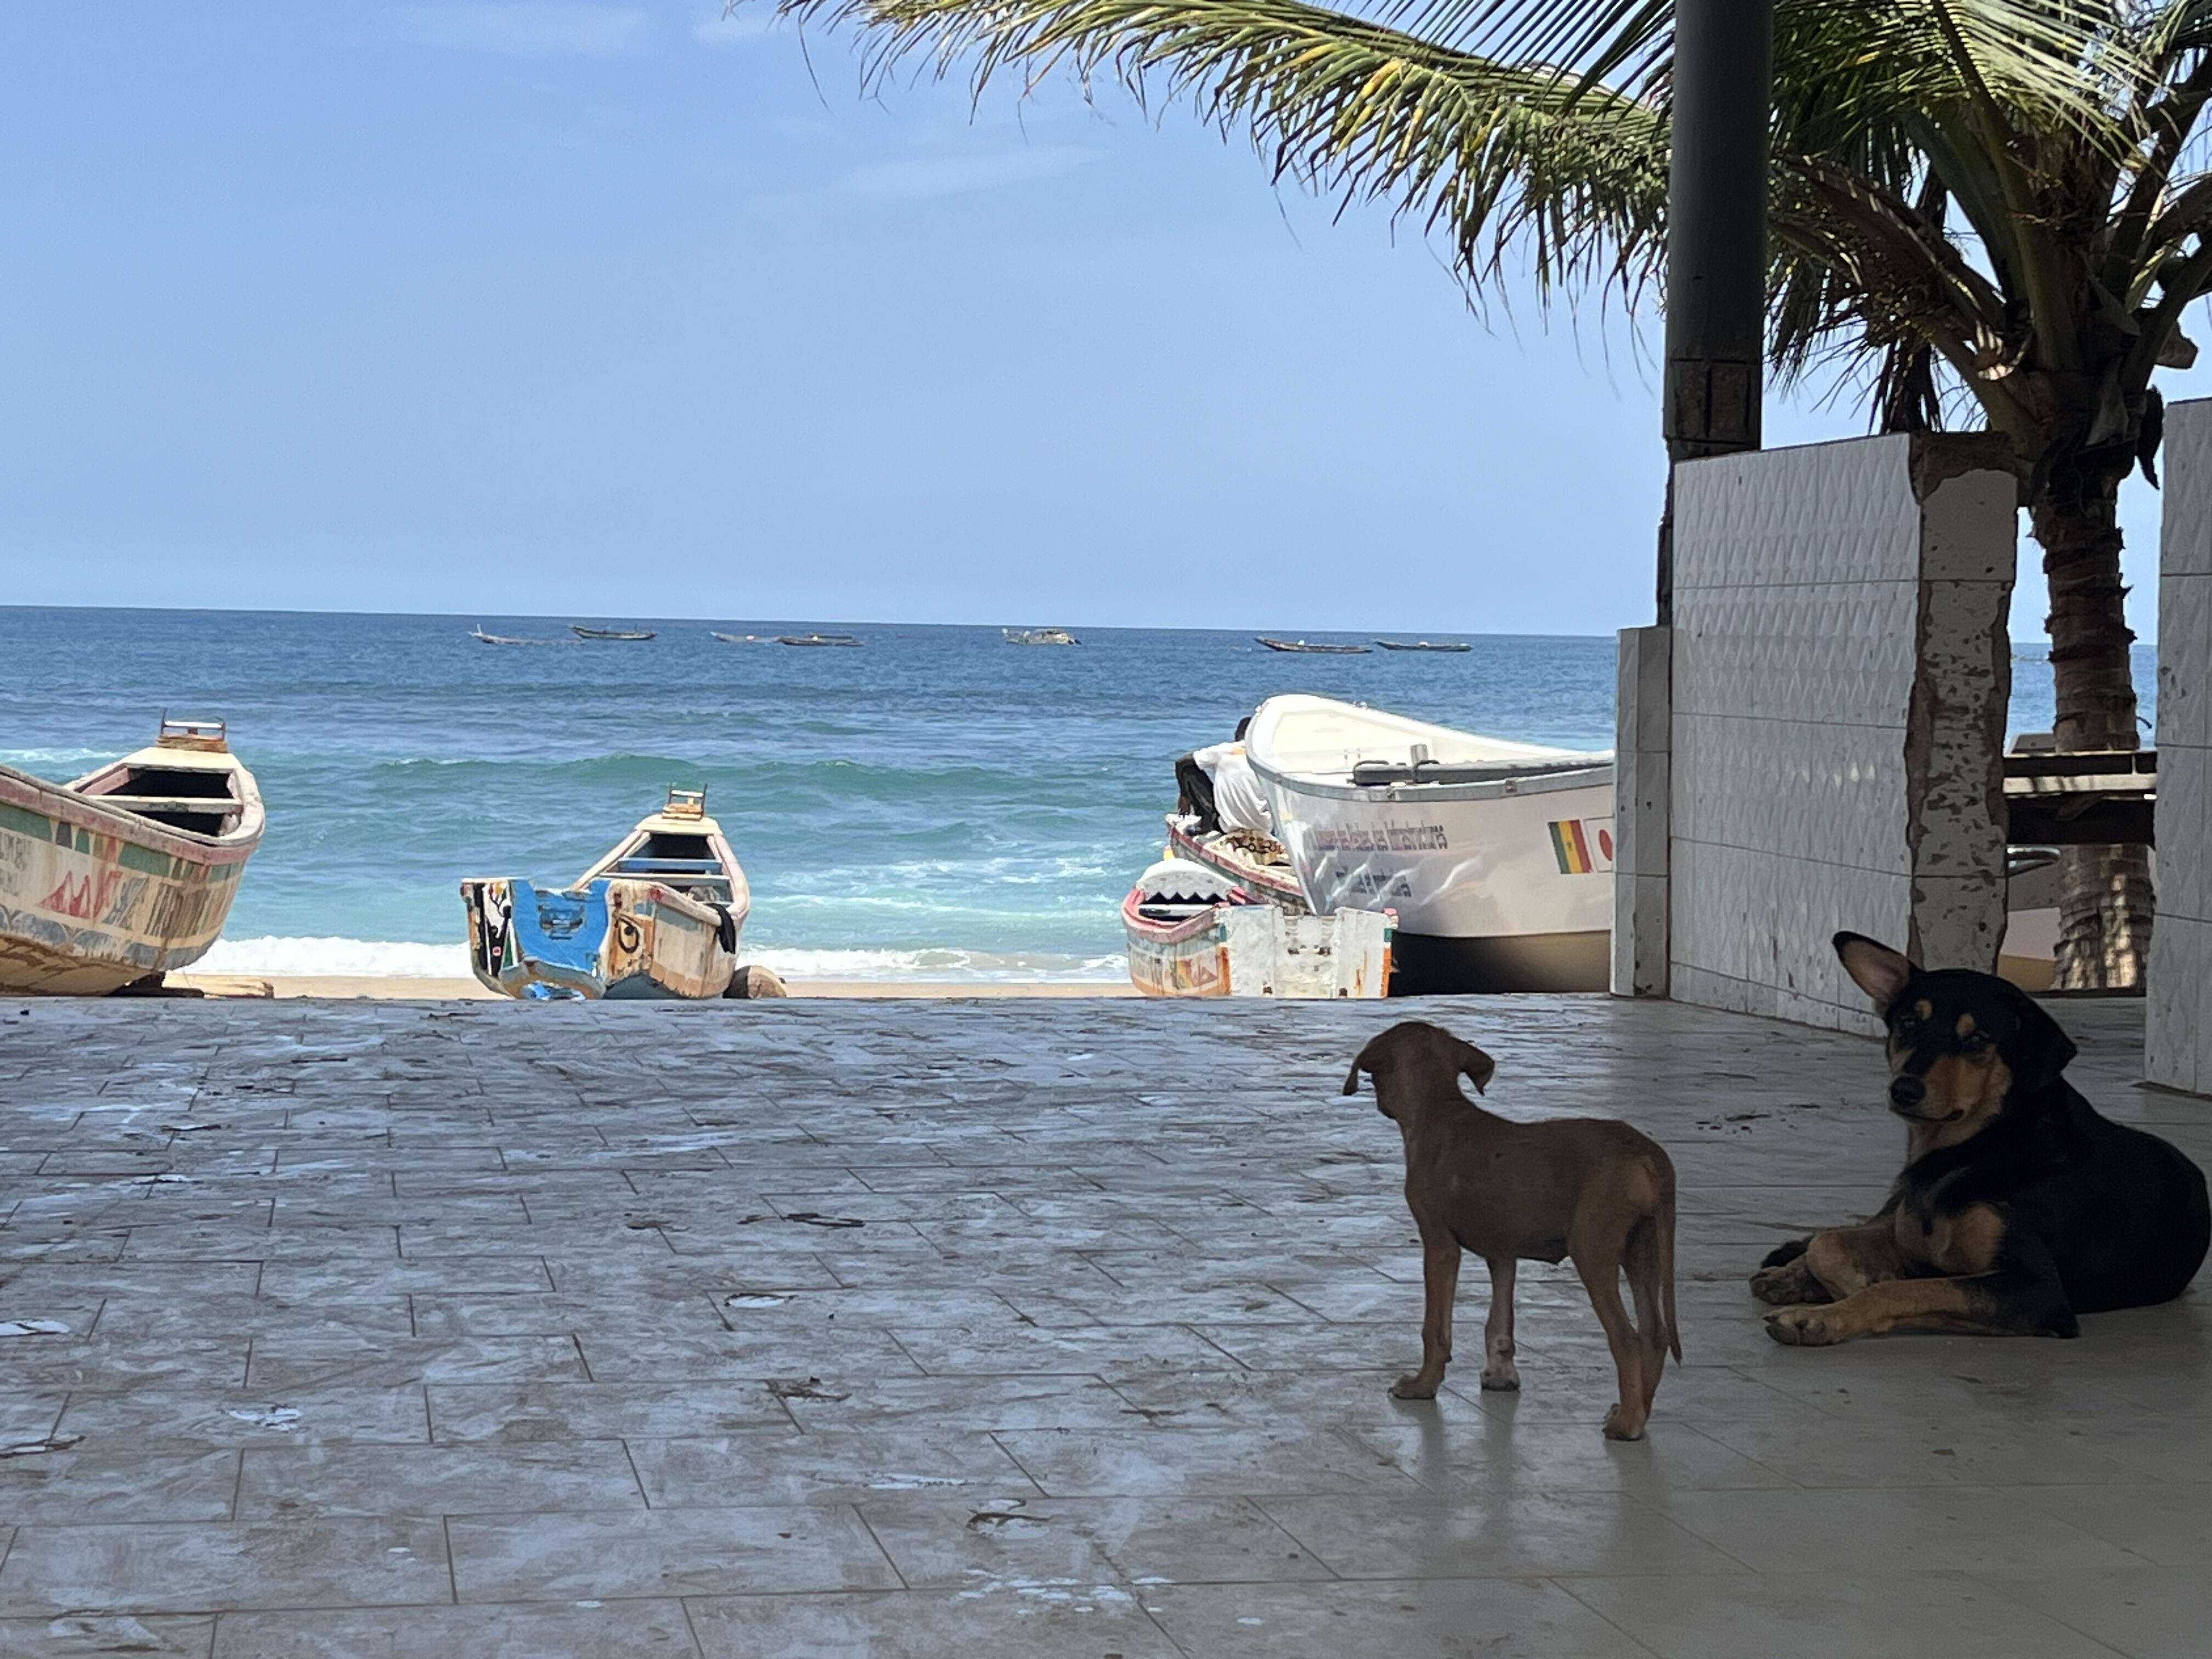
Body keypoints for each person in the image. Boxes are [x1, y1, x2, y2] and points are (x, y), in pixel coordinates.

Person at [1182, 716, 1274, 837]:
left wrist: (1184, 796)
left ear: (1237, 734)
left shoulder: (1223, 750)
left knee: (1188, 768)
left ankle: (1206, 821)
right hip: (1265, 827)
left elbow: (1182, 762)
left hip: (1228, 827)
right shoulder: (1269, 757)